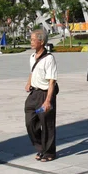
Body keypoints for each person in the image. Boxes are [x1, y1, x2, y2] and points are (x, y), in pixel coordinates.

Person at [26, 30, 58, 161]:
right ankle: (41, 148)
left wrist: (48, 101)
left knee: (46, 123)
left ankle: (49, 152)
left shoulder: (49, 58)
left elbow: (52, 81)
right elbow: (32, 72)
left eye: (34, 39)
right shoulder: (32, 57)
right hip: (34, 95)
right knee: (30, 123)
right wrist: (28, 83)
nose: (31, 41)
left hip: (45, 95)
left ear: (42, 42)